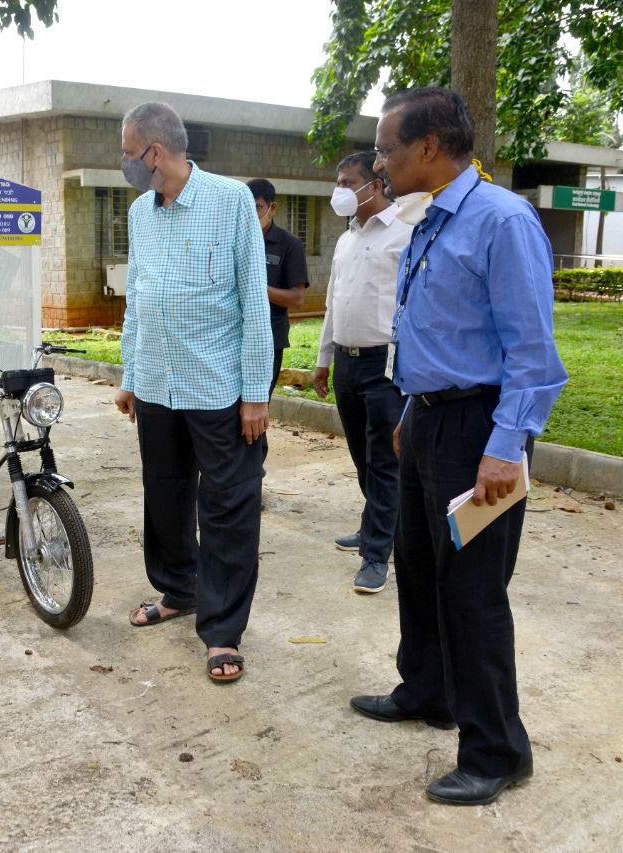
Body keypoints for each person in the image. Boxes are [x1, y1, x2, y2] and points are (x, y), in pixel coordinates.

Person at [348, 88, 568, 805]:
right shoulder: (432, 219)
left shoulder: (503, 221)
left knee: (473, 594)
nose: (378, 162)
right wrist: (412, 405)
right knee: (417, 565)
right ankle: (429, 690)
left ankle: (498, 749)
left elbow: (532, 352)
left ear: (430, 147)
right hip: (428, 422)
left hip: (482, 431)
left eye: (386, 149)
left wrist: (507, 448)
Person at [113, 102, 272, 684]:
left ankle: (223, 630)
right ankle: (179, 589)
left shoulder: (230, 202)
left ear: (155, 152)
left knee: (228, 506)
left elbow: (254, 302)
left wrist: (256, 392)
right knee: (167, 495)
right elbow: (137, 297)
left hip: (216, 387)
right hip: (156, 383)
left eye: (129, 153)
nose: (125, 162)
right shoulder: (139, 213)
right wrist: (131, 374)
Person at [313, 152, 412, 593]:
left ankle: (377, 554)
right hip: (348, 364)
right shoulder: (346, 239)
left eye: (346, 181)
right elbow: (334, 301)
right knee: (360, 455)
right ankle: (376, 522)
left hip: (385, 363)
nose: (340, 190)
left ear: (374, 184)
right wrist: (324, 358)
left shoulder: (405, 233)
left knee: (384, 459)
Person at [245, 180, 309, 398]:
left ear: (272, 208)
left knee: (257, 404)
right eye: (246, 207)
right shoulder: (234, 239)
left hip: (268, 338)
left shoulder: (289, 244)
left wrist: (256, 287)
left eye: (257, 207)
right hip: (233, 336)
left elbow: (297, 298)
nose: (251, 213)